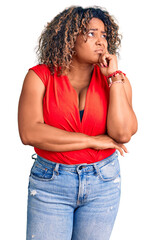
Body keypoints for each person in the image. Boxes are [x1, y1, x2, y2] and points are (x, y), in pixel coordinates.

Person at [18, 6, 138, 240]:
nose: (101, 42)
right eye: (91, 33)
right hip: (51, 182)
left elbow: (122, 135)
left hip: (103, 183)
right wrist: (92, 141)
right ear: (69, 37)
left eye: (104, 35)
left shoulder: (118, 80)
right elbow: (29, 132)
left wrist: (113, 79)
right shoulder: (39, 76)